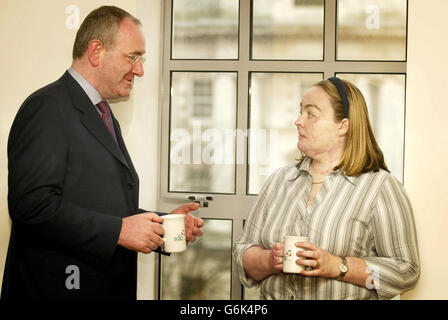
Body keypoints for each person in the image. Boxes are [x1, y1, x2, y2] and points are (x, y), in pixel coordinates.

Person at [1, 6, 204, 300]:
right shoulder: (47, 107)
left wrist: (162, 225)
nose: (140, 70)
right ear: (96, 51)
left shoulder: (105, 115)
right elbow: (31, 207)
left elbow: (101, 209)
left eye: (141, 59)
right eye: (132, 57)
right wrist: (119, 231)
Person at [233, 77, 420, 300]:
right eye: (301, 111)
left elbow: (406, 272)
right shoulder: (278, 181)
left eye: (310, 113)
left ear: (343, 126)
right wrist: (269, 261)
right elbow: (242, 254)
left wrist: (338, 266)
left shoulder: (380, 187)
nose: (298, 121)